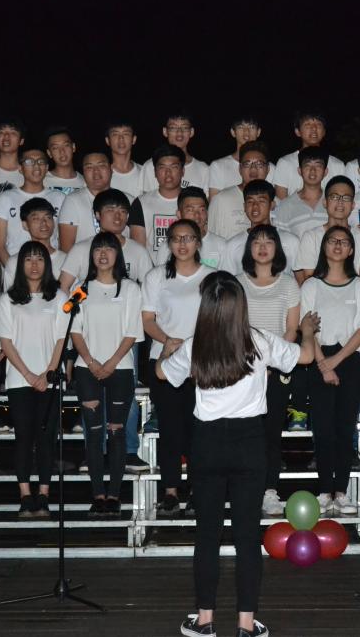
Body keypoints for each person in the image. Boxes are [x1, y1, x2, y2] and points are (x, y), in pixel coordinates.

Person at [159, 272, 319, 637]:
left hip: (207, 443)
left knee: (207, 534)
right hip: (249, 442)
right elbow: (306, 356)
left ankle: (204, 621)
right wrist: (308, 331)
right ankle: (246, 625)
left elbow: (162, 374)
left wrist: (168, 351)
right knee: (247, 536)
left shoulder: (195, 346)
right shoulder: (258, 341)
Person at [142, 220, 215, 515]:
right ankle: (170, 491)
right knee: (170, 428)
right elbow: (148, 320)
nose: (182, 244)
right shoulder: (156, 276)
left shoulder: (211, 277)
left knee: (200, 429)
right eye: (176, 238)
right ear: (168, 243)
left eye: (188, 238)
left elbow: (217, 319)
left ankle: (198, 489)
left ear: (198, 242)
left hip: (202, 363)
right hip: (165, 359)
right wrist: (167, 341)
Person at [71, 232, 144, 518]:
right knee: (93, 433)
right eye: (98, 249)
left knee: (116, 432)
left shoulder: (130, 289)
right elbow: (75, 330)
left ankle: (114, 495)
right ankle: (97, 495)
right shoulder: (81, 288)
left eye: (109, 249)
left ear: (118, 254)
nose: (103, 254)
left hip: (120, 368)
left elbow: (132, 332)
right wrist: (91, 362)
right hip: (86, 368)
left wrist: (111, 363)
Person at [300, 225, 360, 516]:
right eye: (332, 241)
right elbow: (306, 328)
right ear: (324, 247)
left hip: (349, 361)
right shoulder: (311, 286)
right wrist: (322, 364)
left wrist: (336, 361)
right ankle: (323, 490)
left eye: (344, 242)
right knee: (323, 429)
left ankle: (341, 491)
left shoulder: (359, 286)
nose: (338, 246)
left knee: (345, 427)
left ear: (351, 250)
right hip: (318, 359)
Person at [0, 241, 68, 518]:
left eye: (39, 259)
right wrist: (28, 375)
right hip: (19, 380)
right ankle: (25, 495)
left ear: (47, 264)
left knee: (47, 438)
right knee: (24, 437)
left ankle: (44, 495)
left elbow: (61, 338)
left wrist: (48, 373)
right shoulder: (8, 299)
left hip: (49, 380)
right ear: (20, 265)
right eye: (28, 259)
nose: (34, 264)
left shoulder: (58, 297)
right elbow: (6, 341)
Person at [235, 224, 301, 516]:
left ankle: (270, 490)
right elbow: (233, 327)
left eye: (269, 242)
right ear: (249, 248)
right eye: (256, 242)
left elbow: (291, 329)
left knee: (272, 432)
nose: (262, 247)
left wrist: (272, 362)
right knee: (245, 432)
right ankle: (246, 488)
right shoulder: (238, 283)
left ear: (277, 248)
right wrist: (252, 364)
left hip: (276, 370)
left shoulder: (288, 285)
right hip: (242, 371)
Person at [59, 189, 154, 291]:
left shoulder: (138, 251)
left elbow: (149, 289)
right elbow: (63, 287)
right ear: (97, 215)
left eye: (122, 211)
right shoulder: (80, 249)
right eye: (110, 210)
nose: (117, 216)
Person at [293, 176, 360, 286]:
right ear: (325, 203)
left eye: (346, 198)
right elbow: (310, 283)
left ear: (353, 205)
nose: (340, 202)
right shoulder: (311, 237)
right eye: (334, 197)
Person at [0, 148, 66, 265]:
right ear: (20, 168)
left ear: (47, 168)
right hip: (15, 265)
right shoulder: (6, 198)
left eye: (41, 162)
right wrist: (15, 271)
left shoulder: (60, 198)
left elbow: (64, 242)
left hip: (51, 266)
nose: (36, 166)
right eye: (29, 162)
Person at [220, 181, 299, 277]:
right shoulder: (232, 245)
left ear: (272, 205)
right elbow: (227, 282)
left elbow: (300, 279)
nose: (255, 206)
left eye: (261, 201)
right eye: (250, 201)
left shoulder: (291, 241)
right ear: (244, 207)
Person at [208, 141, 272, 240]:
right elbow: (211, 239)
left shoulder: (275, 202)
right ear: (240, 168)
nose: (253, 169)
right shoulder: (221, 200)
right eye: (247, 164)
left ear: (268, 169)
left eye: (259, 164)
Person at [273, 110, 344, 199]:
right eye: (307, 124)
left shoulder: (338, 165)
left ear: (324, 132)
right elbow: (281, 202)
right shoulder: (285, 163)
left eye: (318, 124)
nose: (314, 128)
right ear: (298, 132)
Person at [1, 198, 67, 290]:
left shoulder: (66, 260)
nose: (44, 223)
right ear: (25, 225)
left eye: (48, 217)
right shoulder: (15, 262)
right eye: (36, 219)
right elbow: (9, 295)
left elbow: (74, 293)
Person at [133, 144, 185, 259]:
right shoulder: (141, 203)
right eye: (162, 168)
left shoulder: (193, 201)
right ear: (155, 172)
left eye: (174, 167)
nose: (168, 173)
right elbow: (138, 250)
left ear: (182, 171)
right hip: (153, 268)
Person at [57, 149, 115, 252]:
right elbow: (66, 249)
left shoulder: (127, 199)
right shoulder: (72, 201)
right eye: (89, 167)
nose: (96, 171)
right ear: (83, 172)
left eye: (101, 165)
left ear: (111, 168)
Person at [156, 187, 228, 269]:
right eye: (190, 210)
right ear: (179, 214)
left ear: (207, 213)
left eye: (202, 210)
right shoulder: (168, 247)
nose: (197, 215)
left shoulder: (222, 245)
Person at [138, 111, 209, 193]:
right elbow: (146, 198)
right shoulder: (151, 166)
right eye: (173, 128)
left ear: (191, 132)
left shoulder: (203, 169)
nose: (179, 133)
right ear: (165, 131)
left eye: (185, 128)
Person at [208, 115, 274, 199]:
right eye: (240, 127)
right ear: (233, 132)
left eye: (252, 127)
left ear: (258, 132)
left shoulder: (270, 168)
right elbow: (214, 202)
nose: (246, 132)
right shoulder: (218, 166)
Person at [272, 146, 330, 238]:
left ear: (325, 172)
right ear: (299, 171)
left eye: (318, 166)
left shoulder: (333, 203)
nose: (312, 170)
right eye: (307, 165)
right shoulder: (285, 206)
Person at [104, 118, 143, 198]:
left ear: (134, 139)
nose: (121, 138)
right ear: (108, 140)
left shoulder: (144, 172)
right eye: (115, 134)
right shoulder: (101, 175)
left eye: (126, 134)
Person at [43, 126, 85, 194]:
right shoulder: (41, 181)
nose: (62, 151)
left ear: (73, 147)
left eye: (66, 145)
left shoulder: (86, 182)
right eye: (55, 148)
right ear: (49, 153)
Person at [0, 118, 27, 193]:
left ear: (21, 141)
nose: (6, 136)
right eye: (1, 132)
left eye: (13, 132)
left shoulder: (29, 171)